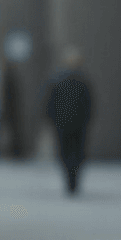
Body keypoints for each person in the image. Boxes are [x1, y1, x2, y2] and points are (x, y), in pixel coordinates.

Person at [45, 48, 93, 194]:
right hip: (73, 124)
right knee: (75, 153)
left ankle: (71, 179)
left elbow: (50, 104)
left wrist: (51, 120)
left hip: (66, 124)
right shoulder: (81, 82)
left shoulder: (60, 81)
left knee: (67, 153)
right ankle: (72, 179)